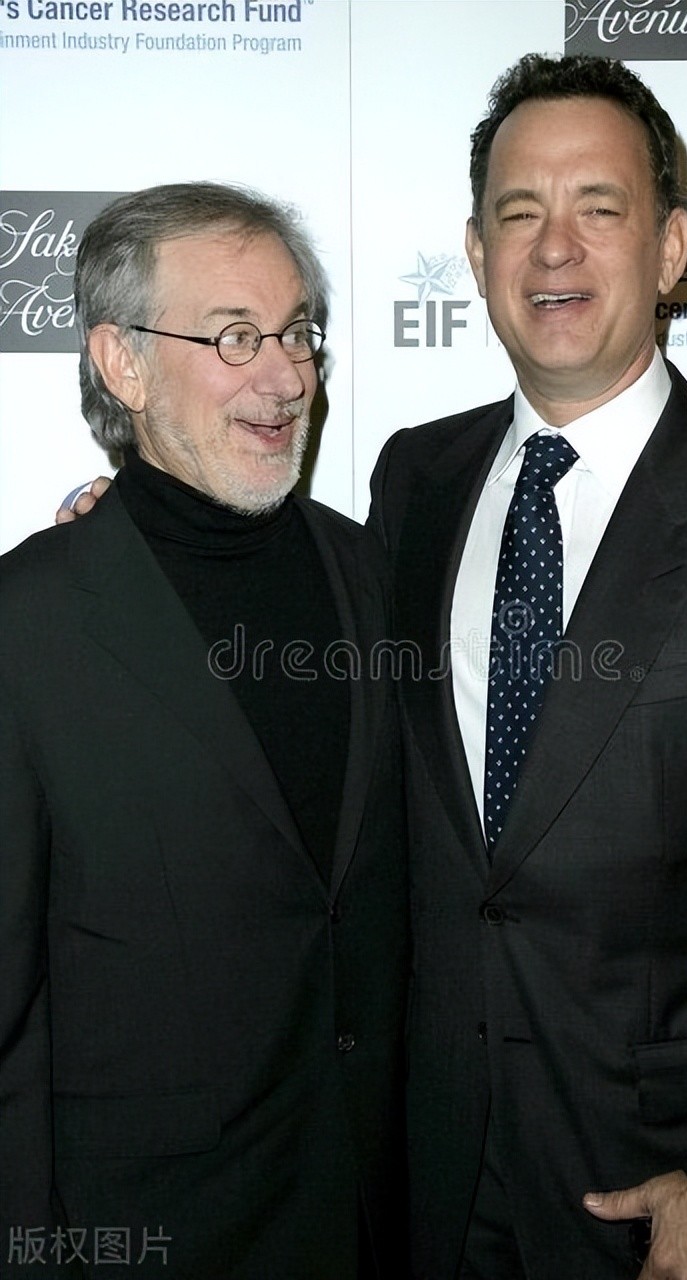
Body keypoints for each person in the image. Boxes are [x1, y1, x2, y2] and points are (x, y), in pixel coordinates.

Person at [367, 54, 687, 1279]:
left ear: (674, 246)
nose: (554, 247)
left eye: (599, 207)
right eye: (518, 212)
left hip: (674, 1200)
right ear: (475, 252)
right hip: (426, 1182)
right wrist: (144, 523)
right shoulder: (413, 480)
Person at [0, 182, 408, 1280]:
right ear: (122, 365)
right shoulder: (27, 624)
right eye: (234, 336)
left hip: (377, 1216)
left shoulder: (368, 570)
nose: (285, 377)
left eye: (296, 333)